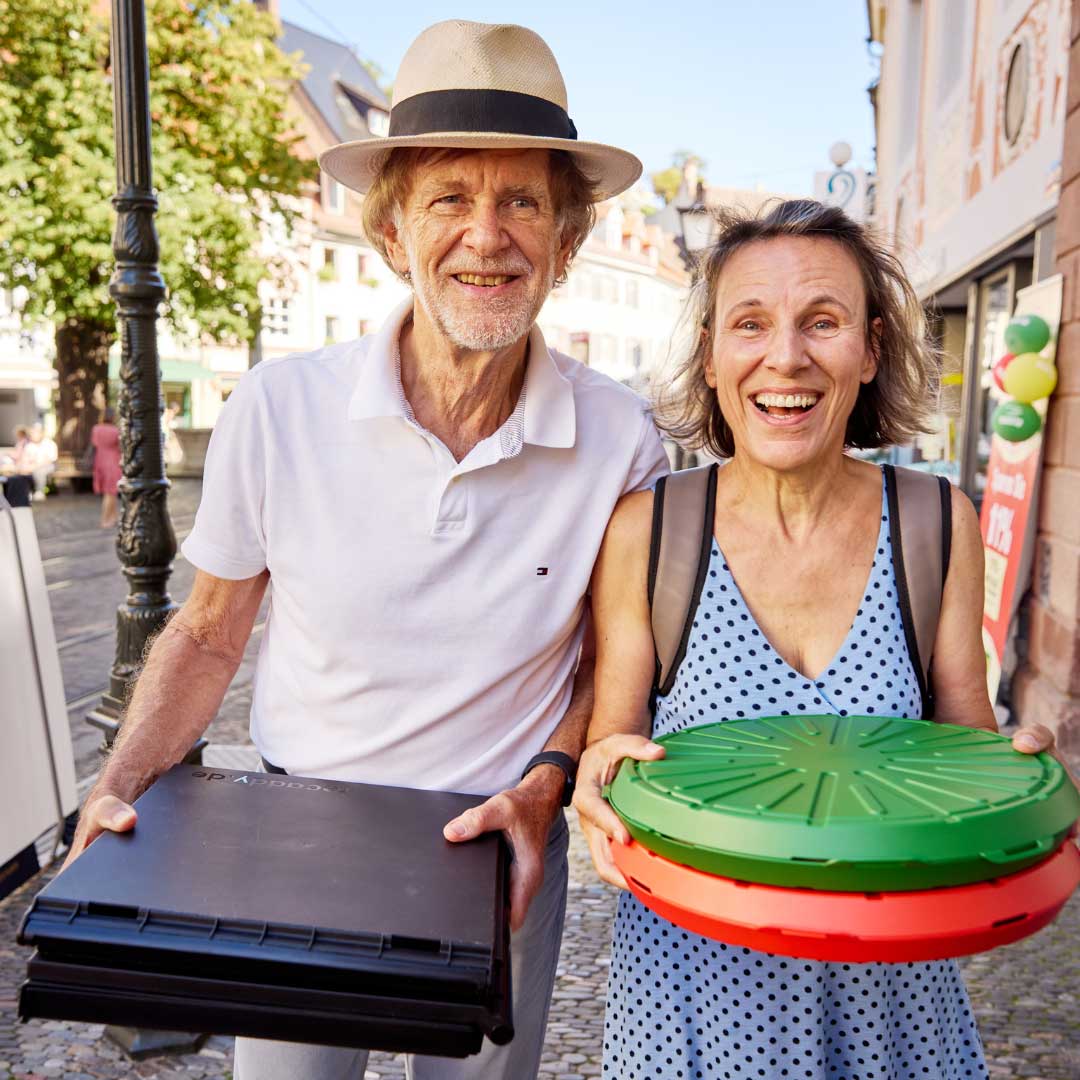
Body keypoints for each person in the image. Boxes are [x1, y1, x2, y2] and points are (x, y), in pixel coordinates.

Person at [64, 19, 667, 1080]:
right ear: (392, 233)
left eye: (522, 201)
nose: (488, 237)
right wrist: (118, 786)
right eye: (449, 199)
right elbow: (207, 636)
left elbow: (606, 660)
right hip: (302, 844)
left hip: (500, 841)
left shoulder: (620, 439)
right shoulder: (279, 406)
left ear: (567, 243)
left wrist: (542, 790)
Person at [573, 199, 1062, 1080]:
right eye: (749, 324)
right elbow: (614, 735)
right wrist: (593, 781)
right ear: (714, 358)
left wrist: (1014, 781)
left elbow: (963, 750)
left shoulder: (932, 523)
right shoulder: (650, 533)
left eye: (823, 322)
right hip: (698, 997)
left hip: (891, 1001)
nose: (785, 357)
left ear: (871, 350)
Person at [91, 407, 122, 528]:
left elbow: (95, 443)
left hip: (100, 460)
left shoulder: (96, 429)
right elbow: (120, 446)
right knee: (110, 493)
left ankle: (113, 517)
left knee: (110, 492)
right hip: (113, 461)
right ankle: (105, 520)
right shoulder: (116, 431)